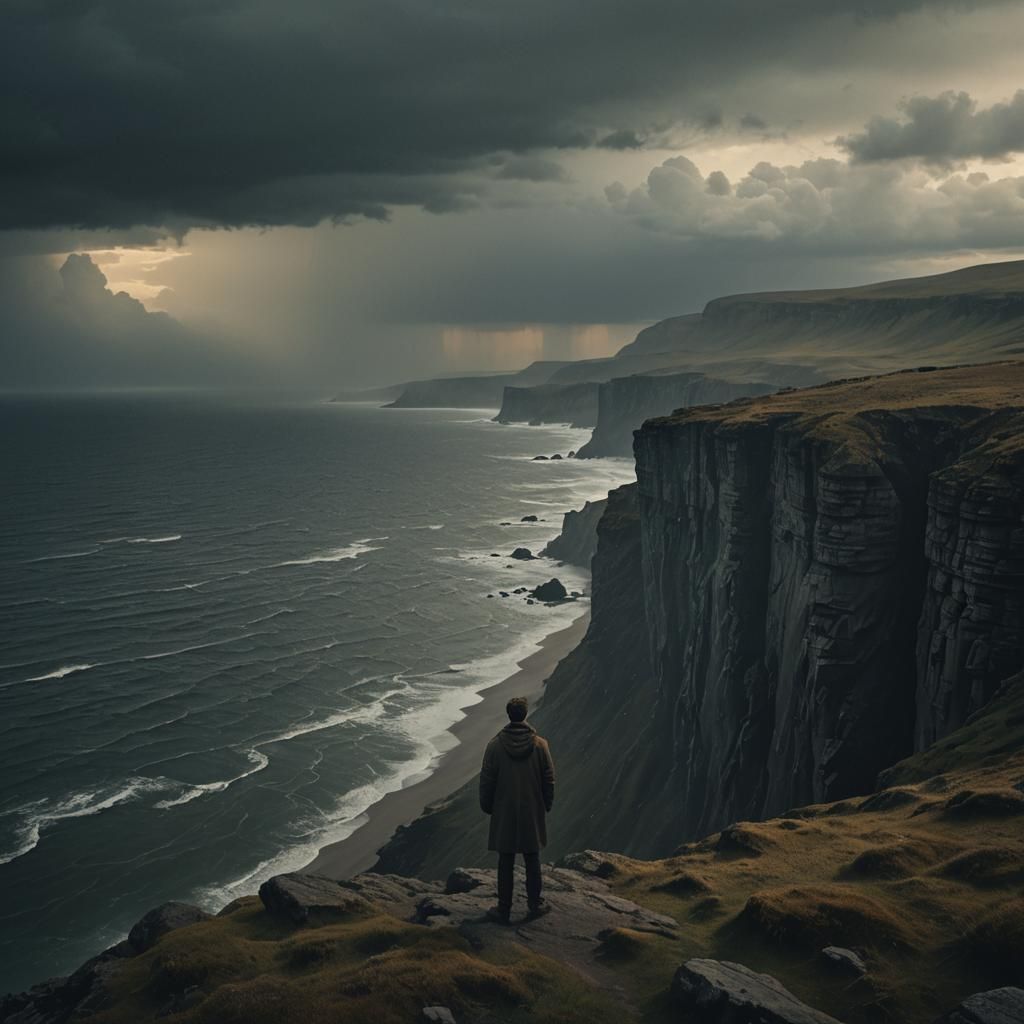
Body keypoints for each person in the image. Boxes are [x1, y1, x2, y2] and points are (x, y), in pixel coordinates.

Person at [478, 695, 555, 924]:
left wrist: (488, 806)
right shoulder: (540, 745)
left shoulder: (494, 746)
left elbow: (487, 780)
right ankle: (534, 905)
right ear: (525, 714)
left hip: (504, 810)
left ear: (509, 714)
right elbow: (549, 778)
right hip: (531, 808)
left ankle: (503, 909)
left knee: (505, 860)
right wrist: (546, 804)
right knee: (532, 857)